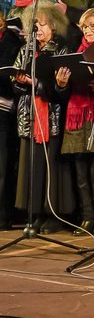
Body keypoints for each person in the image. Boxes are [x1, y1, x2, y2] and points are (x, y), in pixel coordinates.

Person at [13, 1, 74, 234]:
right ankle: (35, 213)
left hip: (51, 116)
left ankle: (53, 215)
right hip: (28, 115)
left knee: (51, 166)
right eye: (35, 23)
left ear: (54, 26)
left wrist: (37, 83)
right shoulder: (26, 48)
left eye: (42, 23)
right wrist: (19, 82)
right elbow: (15, 78)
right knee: (31, 166)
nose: (37, 28)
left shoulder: (61, 49)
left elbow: (62, 89)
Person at [55, 8, 94, 237]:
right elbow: (63, 93)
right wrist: (62, 84)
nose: (87, 31)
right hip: (76, 113)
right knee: (80, 172)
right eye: (85, 27)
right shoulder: (76, 51)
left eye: (92, 26)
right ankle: (87, 218)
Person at [0, 12, 23, 228]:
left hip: (3, 109)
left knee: (3, 166)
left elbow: (10, 75)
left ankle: (3, 216)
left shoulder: (11, 40)